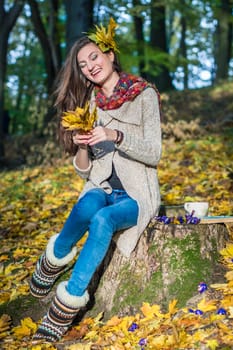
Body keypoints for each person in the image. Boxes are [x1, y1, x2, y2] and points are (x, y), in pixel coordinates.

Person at [30, 17, 162, 343]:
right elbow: (85, 172)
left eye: (94, 57)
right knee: (87, 203)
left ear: (110, 55)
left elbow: (154, 153)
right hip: (101, 188)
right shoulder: (90, 103)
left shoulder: (143, 94)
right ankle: (54, 257)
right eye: (82, 64)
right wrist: (82, 148)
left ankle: (65, 306)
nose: (89, 66)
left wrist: (115, 134)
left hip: (135, 196)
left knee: (102, 219)